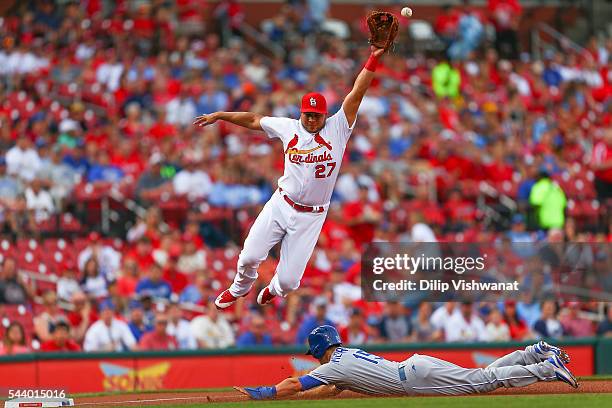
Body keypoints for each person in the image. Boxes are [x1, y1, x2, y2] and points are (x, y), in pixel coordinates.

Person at [194, 45, 386, 309]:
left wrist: (373, 59)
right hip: (281, 203)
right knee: (248, 256)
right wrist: (221, 116)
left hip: (312, 214)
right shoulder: (289, 128)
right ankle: (239, 289)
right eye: (308, 114)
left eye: (317, 115)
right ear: (301, 112)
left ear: (324, 115)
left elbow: (358, 92)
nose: (311, 119)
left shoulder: (338, 127)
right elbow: (253, 120)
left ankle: (274, 289)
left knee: (289, 282)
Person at [235, 325, 578, 401]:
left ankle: (546, 368)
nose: (316, 358)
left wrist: (266, 393)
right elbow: (330, 391)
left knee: (485, 382)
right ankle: (533, 352)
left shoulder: (332, 365)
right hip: (415, 368)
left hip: (413, 381)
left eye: (316, 353)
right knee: (483, 376)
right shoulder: (345, 357)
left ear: (321, 349)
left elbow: (298, 383)